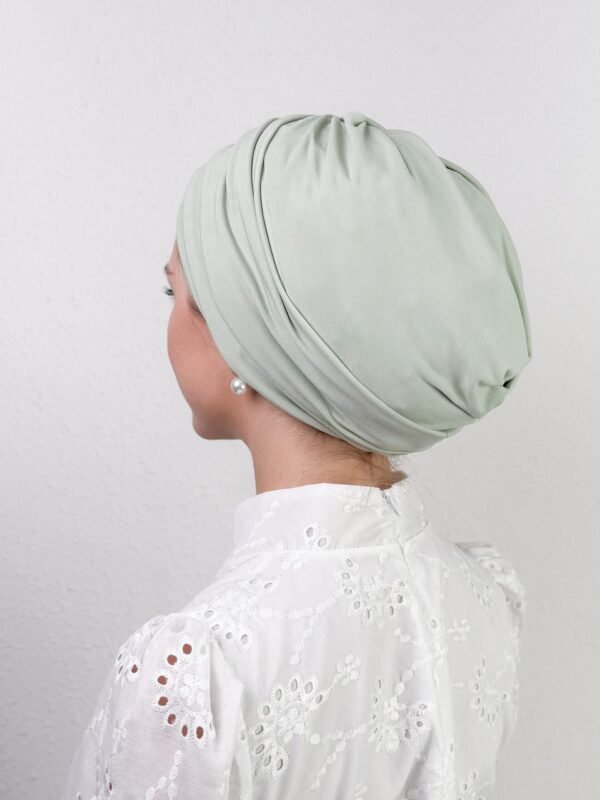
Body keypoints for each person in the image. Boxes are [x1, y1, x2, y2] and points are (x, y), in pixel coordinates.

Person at [63, 112, 531, 799]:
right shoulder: (487, 597)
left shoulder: (194, 677)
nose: (170, 320)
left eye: (177, 292)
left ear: (248, 335)